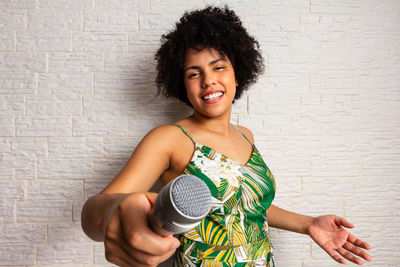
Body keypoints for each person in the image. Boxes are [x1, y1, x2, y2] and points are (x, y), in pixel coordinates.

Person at [81, 6, 372, 267]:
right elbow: (95, 211)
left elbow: (246, 207)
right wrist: (113, 213)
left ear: (237, 74)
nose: (208, 80)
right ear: (182, 85)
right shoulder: (170, 139)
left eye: (218, 67)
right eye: (193, 74)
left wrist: (310, 224)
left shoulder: (246, 136)